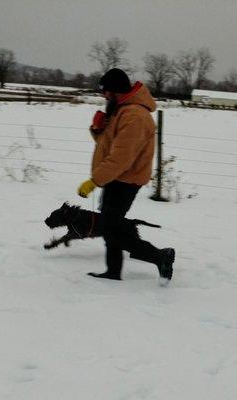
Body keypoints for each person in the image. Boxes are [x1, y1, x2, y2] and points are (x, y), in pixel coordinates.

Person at [77, 68, 175, 282]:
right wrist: (98, 129)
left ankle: (160, 256)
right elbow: (109, 147)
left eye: (105, 92)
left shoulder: (135, 116)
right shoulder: (122, 110)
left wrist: (94, 181)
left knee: (112, 230)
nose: (103, 96)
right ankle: (113, 271)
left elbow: (122, 158)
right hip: (115, 178)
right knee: (110, 226)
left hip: (125, 180)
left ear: (114, 91)